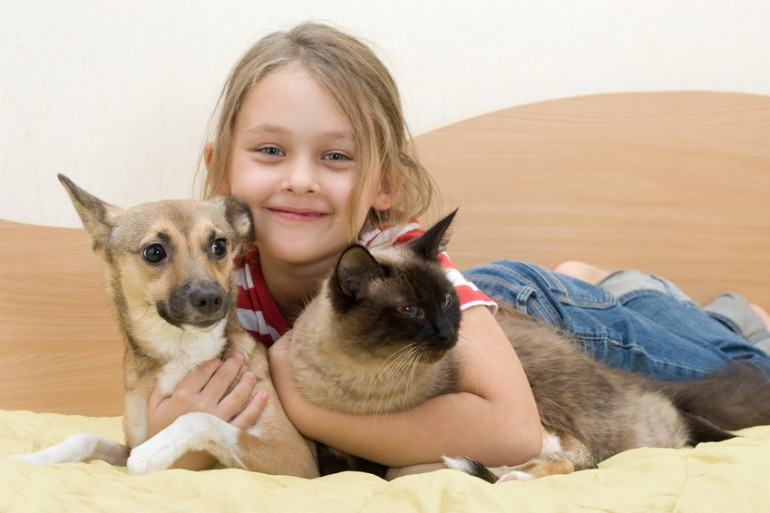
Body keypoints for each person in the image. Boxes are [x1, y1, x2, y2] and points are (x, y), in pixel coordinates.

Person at [144, 22, 770, 472]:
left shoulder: (403, 258)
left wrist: (306, 408)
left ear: (384, 183)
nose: (300, 178)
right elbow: (189, 419)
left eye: (336, 156)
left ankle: (662, 298)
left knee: (745, 369)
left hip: (552, 319)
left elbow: (512, 430)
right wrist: (174, 428)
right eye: (271, 151)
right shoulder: (215, 280)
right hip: (484, 319)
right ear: (222, 170)